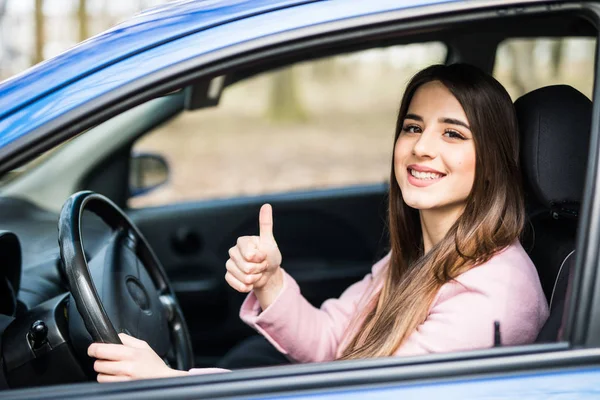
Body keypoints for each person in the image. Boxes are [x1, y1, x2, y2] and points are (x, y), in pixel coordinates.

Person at [86, 63, 549, 382]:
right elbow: (332, 341)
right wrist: (269, 281)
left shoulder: (492, 292)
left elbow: (356, 393)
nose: (422, 147)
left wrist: (172, 384)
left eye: (452, 133)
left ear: (491, 161)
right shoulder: (420, 258)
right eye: (412, 127)